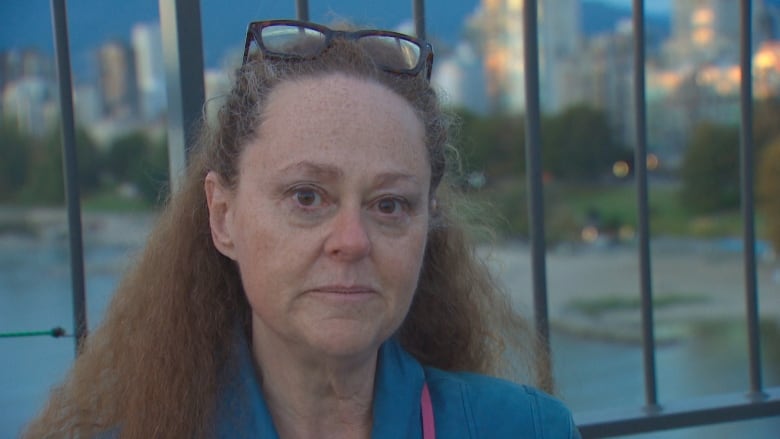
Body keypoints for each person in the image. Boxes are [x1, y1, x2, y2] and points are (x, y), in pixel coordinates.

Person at [24, 20, 581, 438]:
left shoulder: (525, 429)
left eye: (389, 205)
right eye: (307, 197)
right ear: (222, 216)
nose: (352, 240)